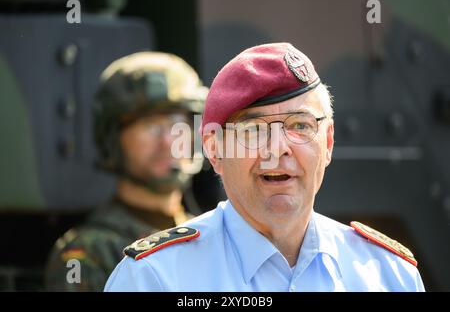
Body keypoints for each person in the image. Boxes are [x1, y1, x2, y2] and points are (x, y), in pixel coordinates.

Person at [104, 43, 425, 291]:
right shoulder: (155, 279)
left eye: (300, 126)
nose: (278, 148)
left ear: (327, 143)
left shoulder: (389, 275)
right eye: (253, 130)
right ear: (214, 150)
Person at [44, 52, 208, 291]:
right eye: (150, 126)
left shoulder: (212, 236)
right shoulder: (88, 254)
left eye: (177, 125)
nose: (168, 141)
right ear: (113, 139)